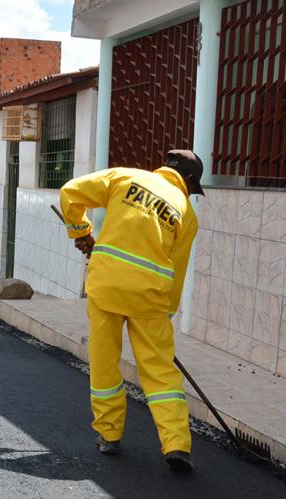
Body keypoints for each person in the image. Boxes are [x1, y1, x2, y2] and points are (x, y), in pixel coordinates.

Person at [59, 149, 203, 474]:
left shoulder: (125, 177)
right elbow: (177, 271)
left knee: (105, 361)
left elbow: (70, 193)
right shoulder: (187, 213)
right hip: (150, 299)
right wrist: (166, 313)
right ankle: (177, 443)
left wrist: (81, 233)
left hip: (106, 285)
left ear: (164, 167)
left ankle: (109, 435)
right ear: (189, 182)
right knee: (160, 373)